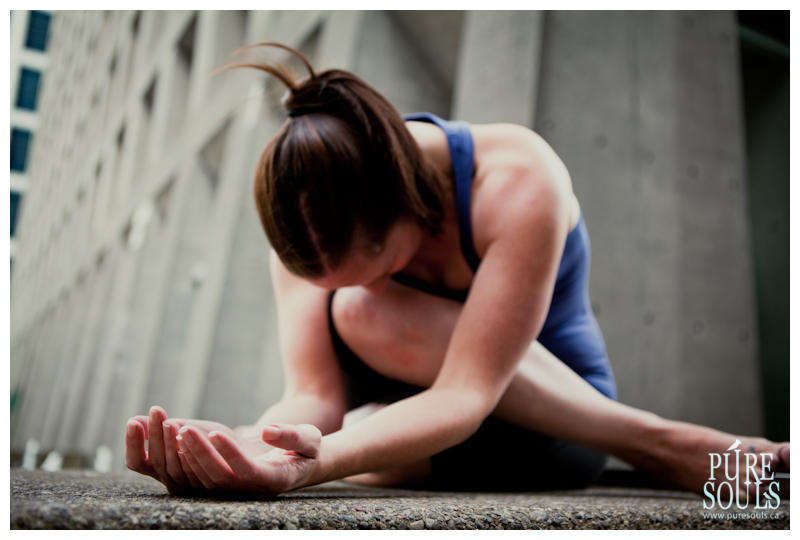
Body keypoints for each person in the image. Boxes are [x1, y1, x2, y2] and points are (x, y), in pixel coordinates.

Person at [125, 42, 789, 497]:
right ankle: (668, 445)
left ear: (407, 197)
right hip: (407, 429)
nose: (360, 290)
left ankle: (662, 442)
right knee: (357, 411)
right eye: (328, 281)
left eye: (373, 266)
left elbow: (465, 396)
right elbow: (315, 399)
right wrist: (239, 443)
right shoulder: (306, 225)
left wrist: (313, 462)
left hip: (550, 431)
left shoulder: (519, 180)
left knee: (362, 321)